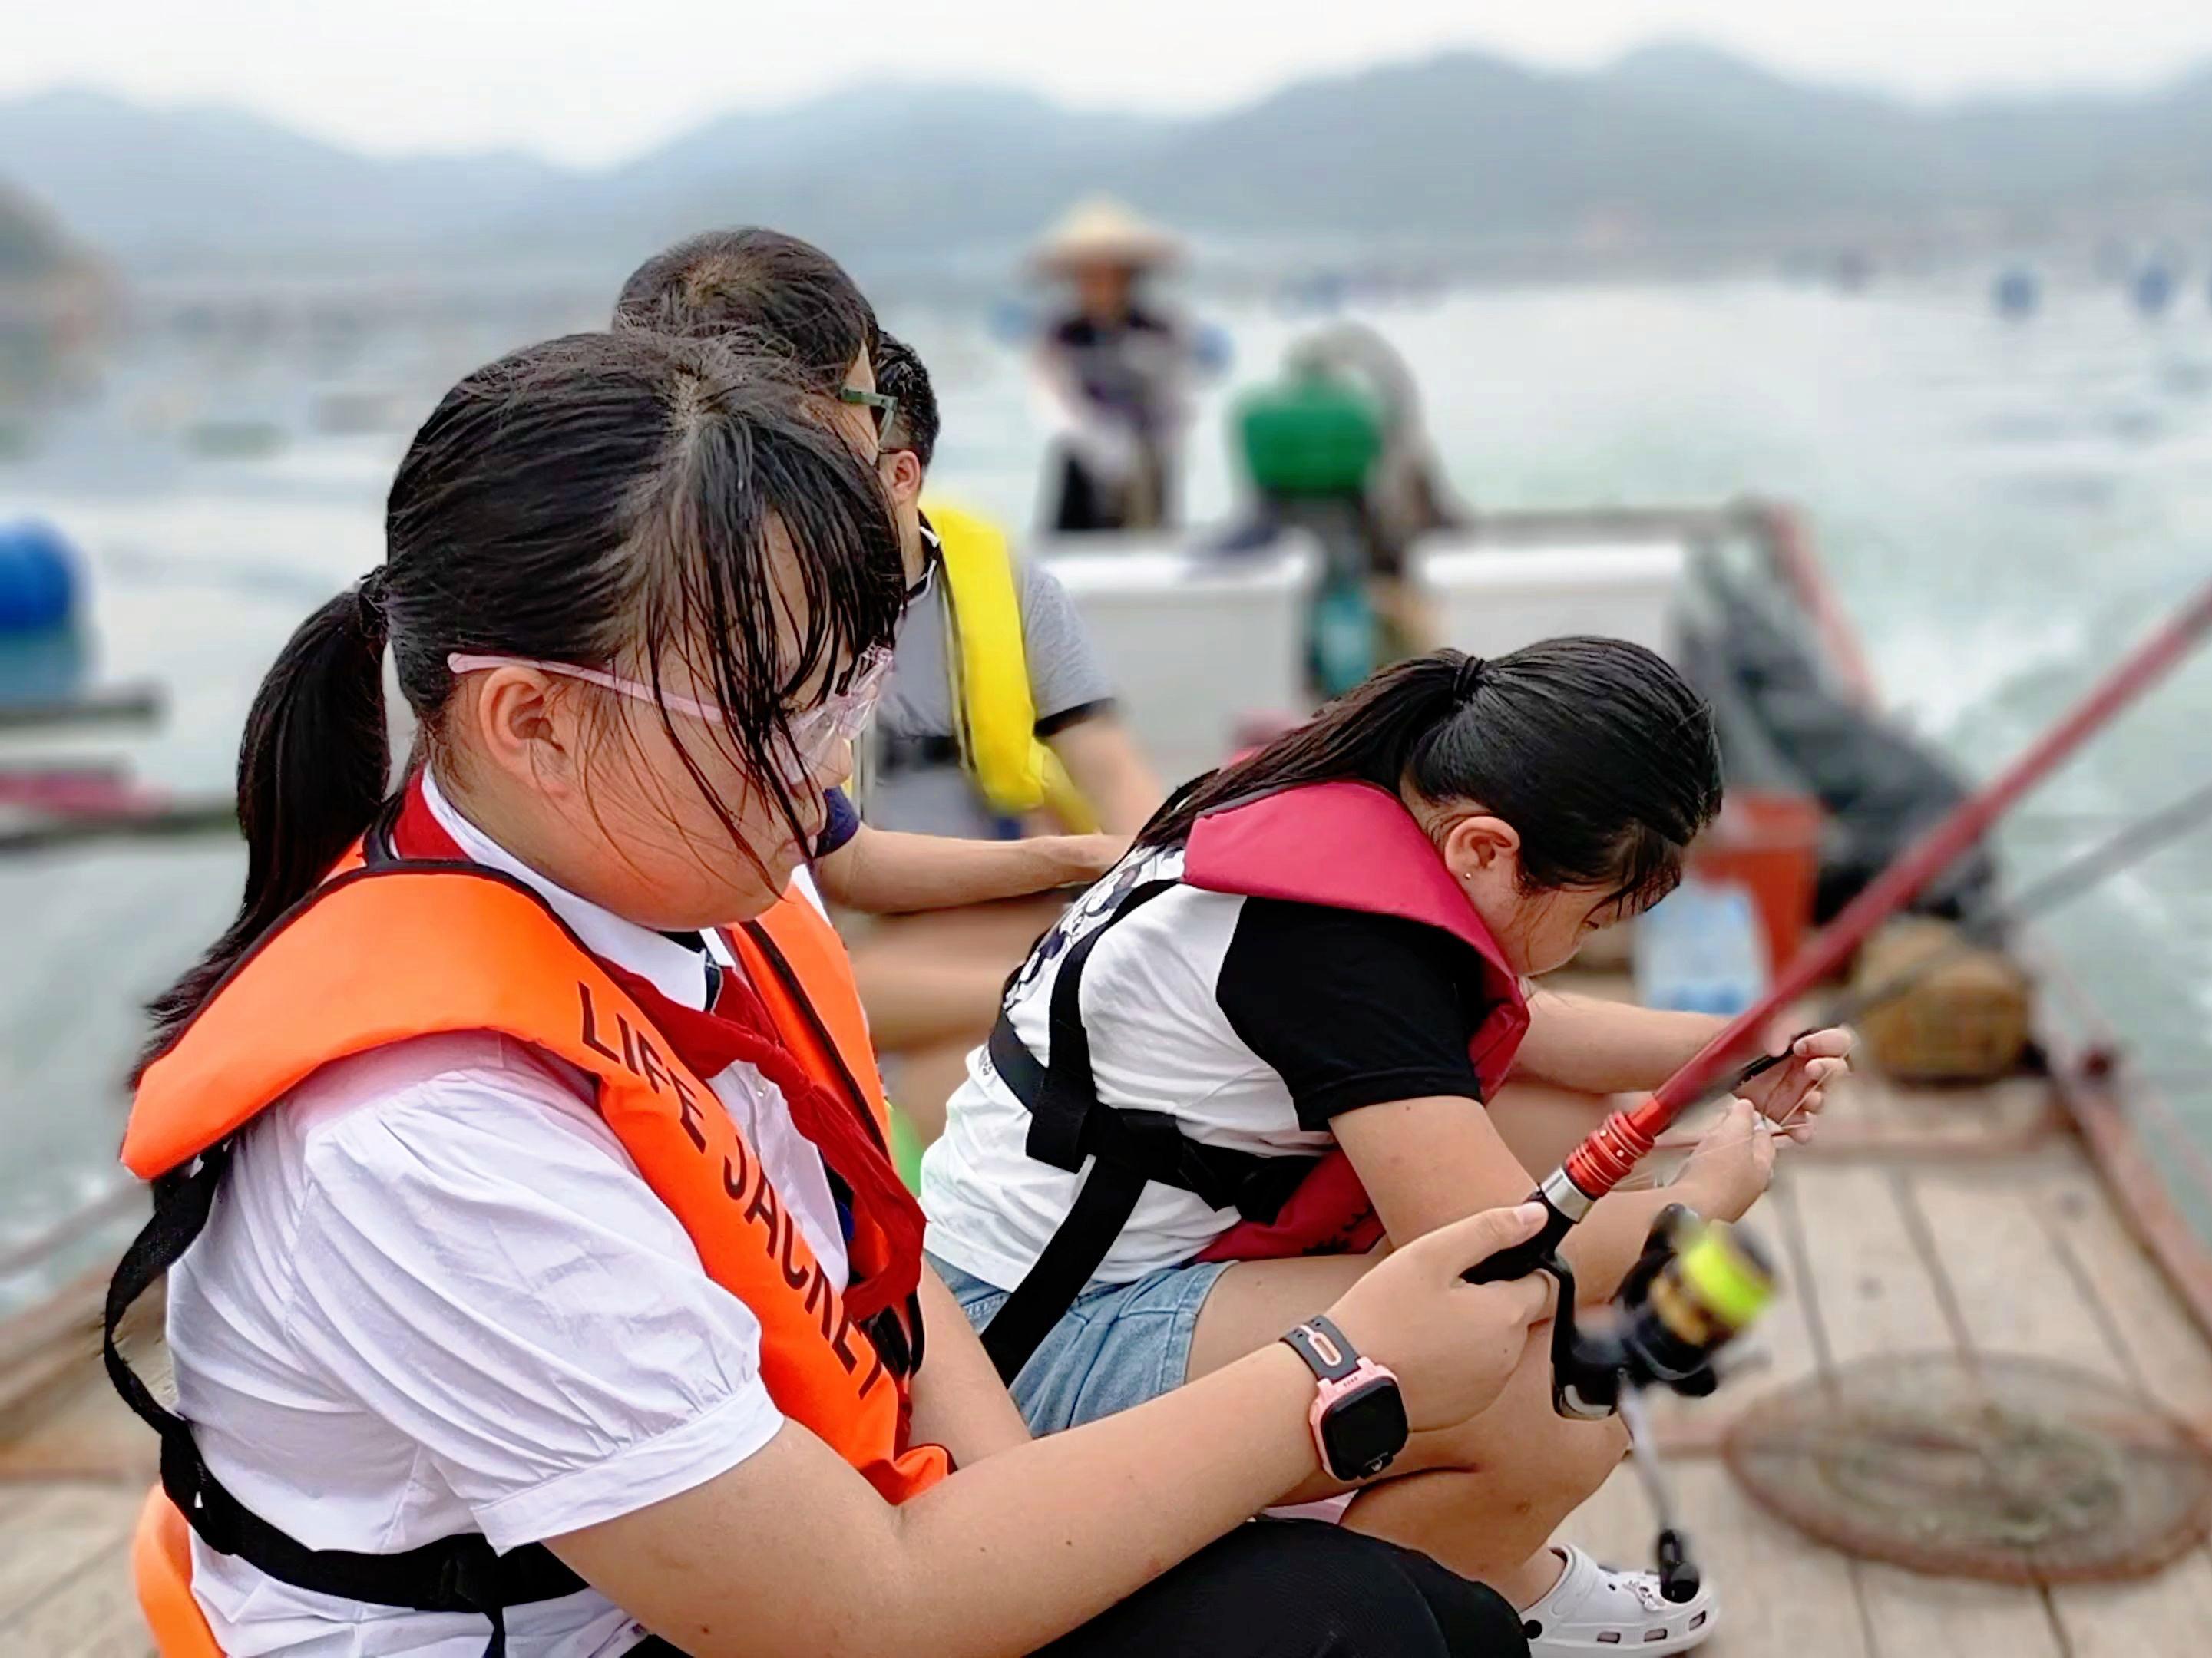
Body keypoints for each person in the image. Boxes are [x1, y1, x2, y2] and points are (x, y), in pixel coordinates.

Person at [107, 331, 1550, 1658]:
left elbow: (876, 1260)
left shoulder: (703, 884)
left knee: (1420, 1624)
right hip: (629, 1622)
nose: (831, 762)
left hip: (795, 1527)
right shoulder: (426, 1138)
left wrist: (1029, 1502)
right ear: (532, 722)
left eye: (853, 684)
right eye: (783, 709)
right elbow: (858, 1613)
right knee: (1339, 1630)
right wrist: (1340, 1367)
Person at [922, 642, 1854, 1655]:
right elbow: (1494, 1256)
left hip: (1018, 1284)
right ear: (1486, 850)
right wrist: (1703, 1196)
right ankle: (1393, 1606)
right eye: (1592, 915)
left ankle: (1480, 1566)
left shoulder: (1335, 792)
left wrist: (1733, 1050)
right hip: (1023, 1348)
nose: (1584, 940)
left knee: (1552, 1148)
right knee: (1558, 1378)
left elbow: (1516, 1021)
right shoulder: (1338, 950)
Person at [616, 228, 1162, 1138]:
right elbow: (823, 886)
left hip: (866, 940)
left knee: (993, 1064)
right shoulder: (699, 637)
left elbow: (840, 845)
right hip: (778, 977)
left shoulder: (953, 583)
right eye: (868, 400)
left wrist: (1100, 863)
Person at [856, 332, 1162, 1133]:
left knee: (952, 1066)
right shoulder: (759, 609)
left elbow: (1111, 768)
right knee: (885, 1021)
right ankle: (1074, 988)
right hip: (856, 927)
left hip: (1003, 902)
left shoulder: (999, 579)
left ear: (901, 472)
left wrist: (1166, 889)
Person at [1030, 198, 1208, 534]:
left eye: (1110, 274)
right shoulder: (1062, 334)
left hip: (1149, 462)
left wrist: (1162, 439)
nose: (1100, 285)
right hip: (1083, 465)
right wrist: (1095, 439)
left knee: (1151, 542)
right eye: (1089, 276)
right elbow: (1050, 398)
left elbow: (1179, 394)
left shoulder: (1160, 329)